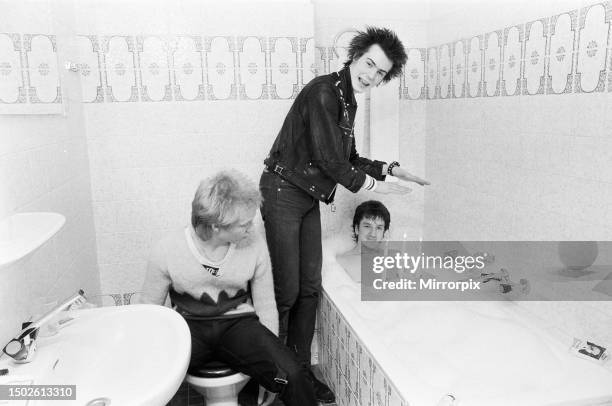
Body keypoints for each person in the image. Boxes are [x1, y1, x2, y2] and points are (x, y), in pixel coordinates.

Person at [259, 26, 429, 402]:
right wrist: (374, 187)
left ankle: (299, 375)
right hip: (283, 192)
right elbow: (328, 160)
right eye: (369, 63)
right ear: (354, 54)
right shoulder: (324, 92)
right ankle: (276, 378)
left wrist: (388, 168)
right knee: (285, 293)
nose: (371, 75)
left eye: (380, 72)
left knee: (308, 289)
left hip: (306, 196)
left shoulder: (348, 99)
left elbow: (348, 159)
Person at [140, 170, 316, 406]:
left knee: (293, 374)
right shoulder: (167, 251)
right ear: (216, 227)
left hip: (238, 325)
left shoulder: (253, 243)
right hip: (189, 328)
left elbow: (265, 305)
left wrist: (269, 367)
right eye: (244, 224)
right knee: (148, 378)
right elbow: (147, 313)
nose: (251, 227)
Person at [337, 200, 391, 282]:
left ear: (384, 233)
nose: (373, 234)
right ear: (356, 229)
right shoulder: (340, 263)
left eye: (379, 228)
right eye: (367, 226)